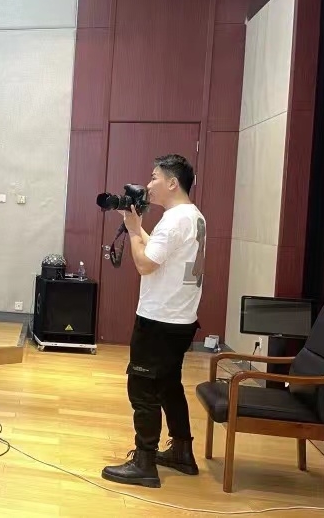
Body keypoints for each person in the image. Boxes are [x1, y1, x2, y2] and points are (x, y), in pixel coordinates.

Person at [101, 154, 206, 488]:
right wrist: (138, 228)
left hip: (159, 320)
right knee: (168, 385)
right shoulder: (193, 216)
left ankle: (144, 462)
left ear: (172, 182)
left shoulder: (173, 221)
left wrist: (133, 232)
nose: (148, 185)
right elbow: (161, 253)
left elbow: (146, 264)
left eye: (154, 177)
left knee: (143, 388)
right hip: (181, 318)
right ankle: (182, 452)